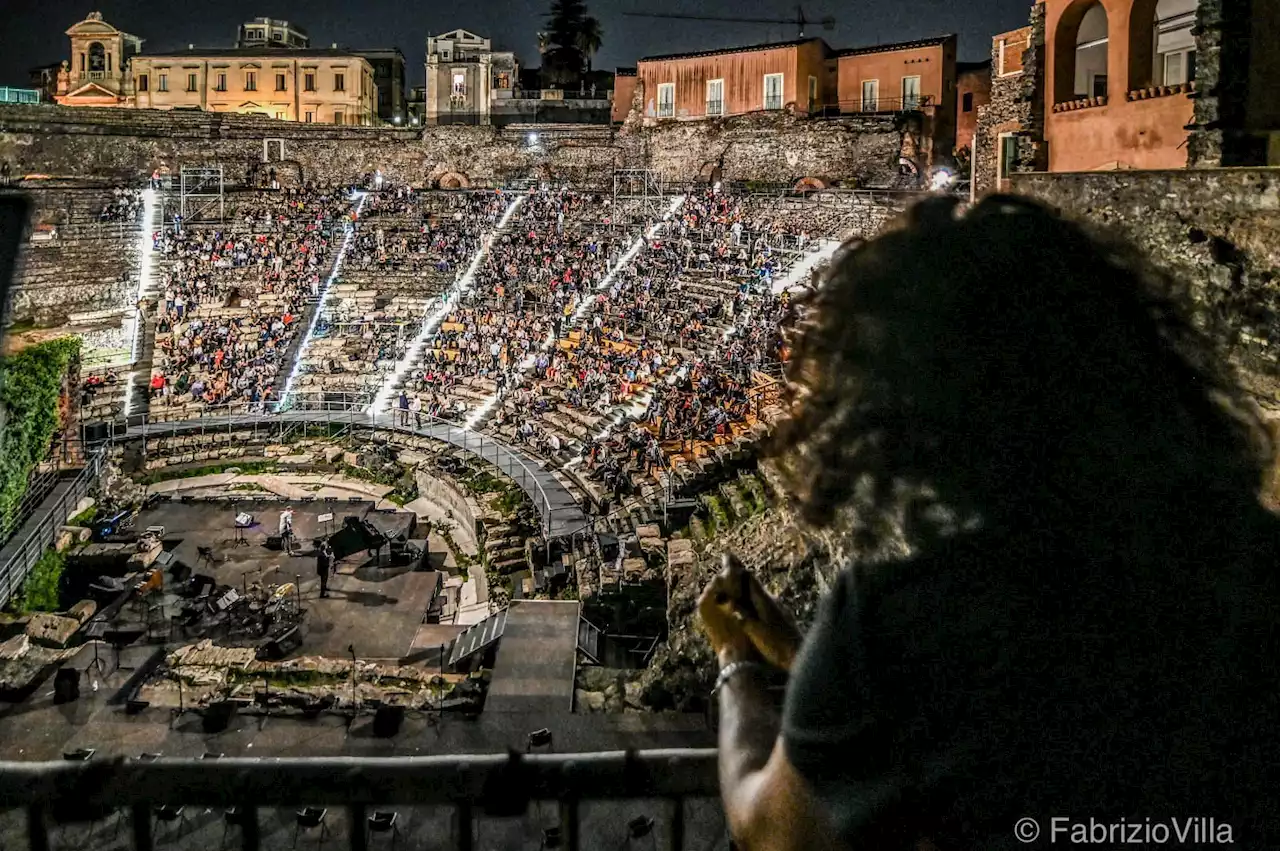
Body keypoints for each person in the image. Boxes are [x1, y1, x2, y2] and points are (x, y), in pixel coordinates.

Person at [699, 195, 1280, 851]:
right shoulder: (1256, 569)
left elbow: (773, 829)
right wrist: (802, 659)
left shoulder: (897, 620)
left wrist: (737, 664)